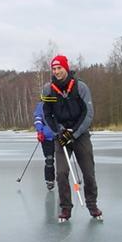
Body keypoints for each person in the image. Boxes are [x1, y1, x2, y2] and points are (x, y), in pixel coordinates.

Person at [41, 55, 103, 222]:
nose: (56, 72)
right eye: (54, 69)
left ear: (66, 68)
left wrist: (73, 133)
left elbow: (88, 114)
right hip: (61, 135)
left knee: (89, 172)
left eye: (59, 68)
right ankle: (65, 208)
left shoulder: (80, 87)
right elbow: (46, 113)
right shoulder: (48, 89)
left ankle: (92, 205)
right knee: (61, 173)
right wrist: (58, 131)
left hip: (80, 134)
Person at [33, 101, 55, 190]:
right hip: (46, 137)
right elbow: (38, 119)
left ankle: (63, 181)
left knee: (63, 161)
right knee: (49, 159)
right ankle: (50, 180)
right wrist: (40, 131)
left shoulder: (60, 101)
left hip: (60, 136)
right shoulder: (41, 105)